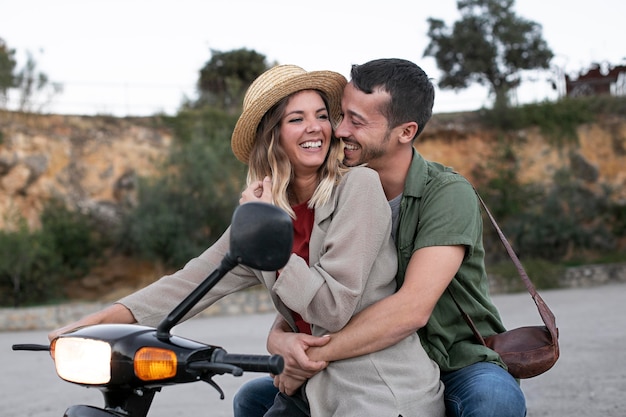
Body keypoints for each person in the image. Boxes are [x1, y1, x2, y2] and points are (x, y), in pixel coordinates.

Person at [49, 64, 445, 417]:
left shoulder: (358, 186)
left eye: (322, 116)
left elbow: (332, 308)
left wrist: (270, 250)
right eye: (297, 119)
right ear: (273, 136)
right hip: (309, 392)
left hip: (377, 392)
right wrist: (98, 321)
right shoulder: (267, 209)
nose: (316, 128)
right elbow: (188, 282)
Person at [232, 58, 527, 417]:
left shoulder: (447, 193)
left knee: (496, 401)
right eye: (340, 116)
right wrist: (278, 336)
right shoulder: (334, 190)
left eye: (356, 121)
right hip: (366, 356)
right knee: (252, 398)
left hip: (454, 358)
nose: (338, 131)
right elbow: (320, 287)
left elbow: (411, 310)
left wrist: (308, 358)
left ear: (405, 132)